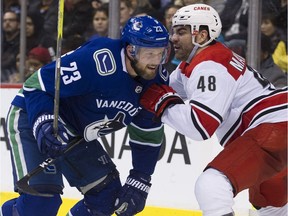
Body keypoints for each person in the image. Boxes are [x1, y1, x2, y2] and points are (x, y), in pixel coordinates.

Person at [1, 15, 170, 216]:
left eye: (161, 53)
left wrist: (141, 177)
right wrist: (43, 121)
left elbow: (147, 134)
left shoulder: (156, 80)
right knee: (41, 202)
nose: (156, 61)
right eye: (149, 54)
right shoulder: (97, 60)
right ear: (131, 49)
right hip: (33, 114)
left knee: (106, 196)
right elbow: (36, 85)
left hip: (75, 132)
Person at [140, 4, 287, 216]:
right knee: (272, 204)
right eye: (173, 31)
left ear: (200, 35)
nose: (172, 38)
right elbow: (163, 89)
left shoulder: (210, 63)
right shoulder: (194, 65)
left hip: (273, 126)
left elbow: (200, 126)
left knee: (212, 186)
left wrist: (161, 105)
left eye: (180, 32)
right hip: (276, 129)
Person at [1, 10, 20, 83]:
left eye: (11, 20)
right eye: (5, 20)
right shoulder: (2, 42)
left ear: (18, 24)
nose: (7, 23)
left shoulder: (23, 42)